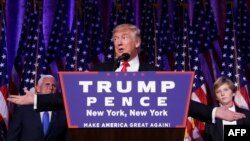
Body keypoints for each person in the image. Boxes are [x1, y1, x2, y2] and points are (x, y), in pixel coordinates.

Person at [7, 24, 246, 123]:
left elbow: (183, 103)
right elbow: (69, 97)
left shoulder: (153, 72)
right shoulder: (102, 70)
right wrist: (36, 99)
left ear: (138, 43)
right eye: (115, 39)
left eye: (124, 38)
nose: (118, 43)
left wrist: (214, 112)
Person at [6, 75, 69, 141]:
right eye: (47, 84)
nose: (51, 88)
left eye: (54, 85)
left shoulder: (63, 114)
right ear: (38, 88)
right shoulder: (23, 111)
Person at [203, 76, 250, 141]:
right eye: (218, 91)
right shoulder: (211, 119)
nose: (222, 94)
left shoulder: (247, 115)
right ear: (216, 97)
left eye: (226, 90)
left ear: (233, 93)